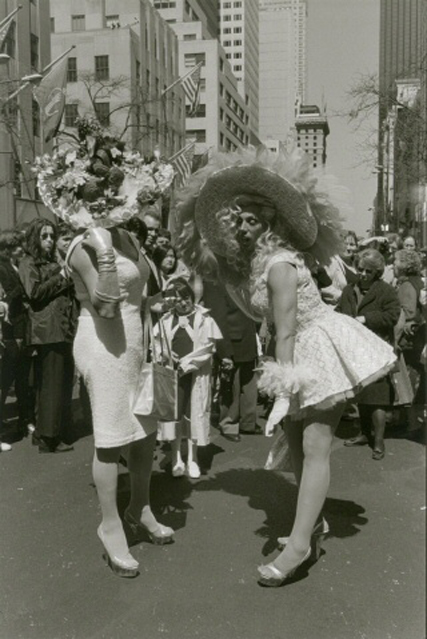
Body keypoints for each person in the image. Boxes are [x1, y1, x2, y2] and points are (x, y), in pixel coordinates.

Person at [175, 147, 397, 587]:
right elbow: (258, 314)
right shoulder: (255, 265)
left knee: (314, 449)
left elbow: (289, 329)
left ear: (272, 222)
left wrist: (285, 382)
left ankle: (298, 547)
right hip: (291, 352)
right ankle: (310, 527)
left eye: (253, 219)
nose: (243, 225)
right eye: (238, 218)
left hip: (316, 351)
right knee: (297, 447)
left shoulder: (279, 265)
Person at [67, 225, 175, 578]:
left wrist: (156, 303)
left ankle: (139, 509)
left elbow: (135, 296)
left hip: (134, 345)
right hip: (102, 345)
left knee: (145, 434)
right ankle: (110, 526)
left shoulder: (128, 235)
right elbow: (107, 306)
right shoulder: (84, 244)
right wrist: (105, 250)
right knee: (111, 438)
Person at [18, 219, 76, 453]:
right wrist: (62, 275)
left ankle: (47, 432)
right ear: (35, 238)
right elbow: (35, 293)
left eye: (52, 236)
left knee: (58, 382)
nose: (50, 241)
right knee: (51, 383)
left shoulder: (52, 261)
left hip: (61, 328)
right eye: (44, 236)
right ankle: (49, 437)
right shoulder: (27, 262)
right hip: (47, 330)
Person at [155, 278, 222, 478]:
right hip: (172, 376)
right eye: (177, 300)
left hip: (195, 375)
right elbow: (157, 345)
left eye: (186, 298)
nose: (183, 303)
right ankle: (176, 457)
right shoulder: (165, 320)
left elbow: (207, 348)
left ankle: (193, 458)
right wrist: (167, 355)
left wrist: (186, 364)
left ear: (192, 297)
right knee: (174, 417)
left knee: (194, 415)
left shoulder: (205, 319)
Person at [337, 249, 401, 459]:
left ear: (377, 272)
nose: (363, 274)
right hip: (355, 349)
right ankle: (364, 434)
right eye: (360, 269)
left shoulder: (386, 291)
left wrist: (366, 319)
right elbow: (340, 313)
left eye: (368, 271)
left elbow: (392, 316)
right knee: (362, 394)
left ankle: (379, 441)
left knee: (378, 397)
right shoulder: (349, 290)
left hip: (377, 349)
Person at [0, 230, 31, 439]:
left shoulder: (16, 265)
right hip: (9, 327)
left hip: (20, 323)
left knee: (21, 375)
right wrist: (19, 291)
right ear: (8, 248)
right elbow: (6, 297)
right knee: (7, 376)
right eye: (17, 245)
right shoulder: (2, 268)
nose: (22, 248)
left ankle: (25, 420)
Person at [394, 249, 425, 430]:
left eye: (396, 261)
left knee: (408, 377)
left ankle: (410, 422)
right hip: (420, 334)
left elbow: (407, 312)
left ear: (405, 265)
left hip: (410, 338)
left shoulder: (406, 285)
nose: (394, 264)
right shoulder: (417, 281)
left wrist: (396, 338)